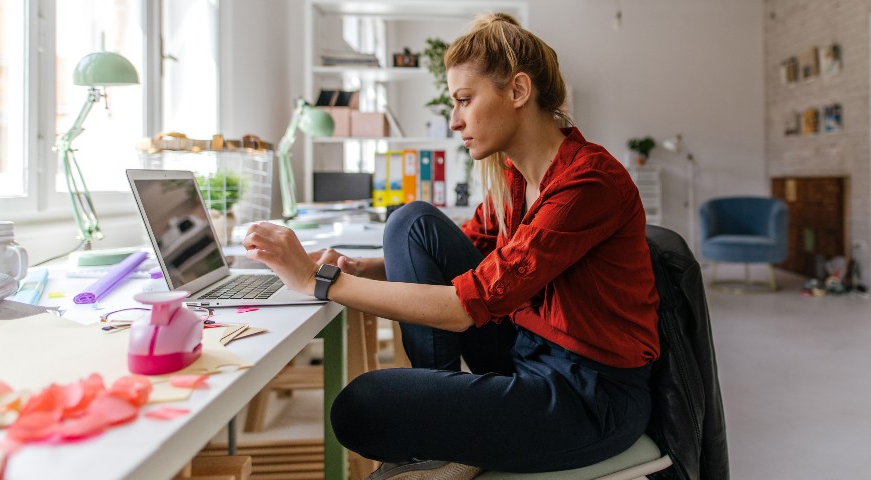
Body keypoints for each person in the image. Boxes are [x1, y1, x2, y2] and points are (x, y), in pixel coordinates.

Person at [242, 12, 660, 479]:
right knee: (410, 222)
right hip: (527, 351)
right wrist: (361, 268)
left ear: (518, 91)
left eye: (464, 100)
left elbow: (466, 304)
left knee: (361, 406)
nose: (455, 119)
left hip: (590, 396)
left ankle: (449, 437)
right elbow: (464, 250)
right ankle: (445, 441)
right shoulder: (514, 178)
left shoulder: (588, 182)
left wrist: (317, 281)